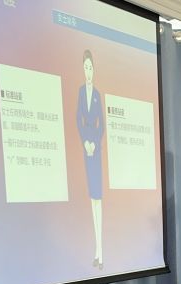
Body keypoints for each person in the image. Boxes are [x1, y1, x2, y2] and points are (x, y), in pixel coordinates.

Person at [76, 49, 105, 269]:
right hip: (85, 148)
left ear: (94, 70)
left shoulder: (97, 94)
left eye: (90, 67)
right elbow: (79, 119)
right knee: (90, 198)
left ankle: (100, 251)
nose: (88, 71)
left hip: (96, 149)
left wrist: (93, 142)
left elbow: (101, 124)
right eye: (85, 67)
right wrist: (85, 141)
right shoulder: (80, 92)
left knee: (98, 198)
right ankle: (95, 250)